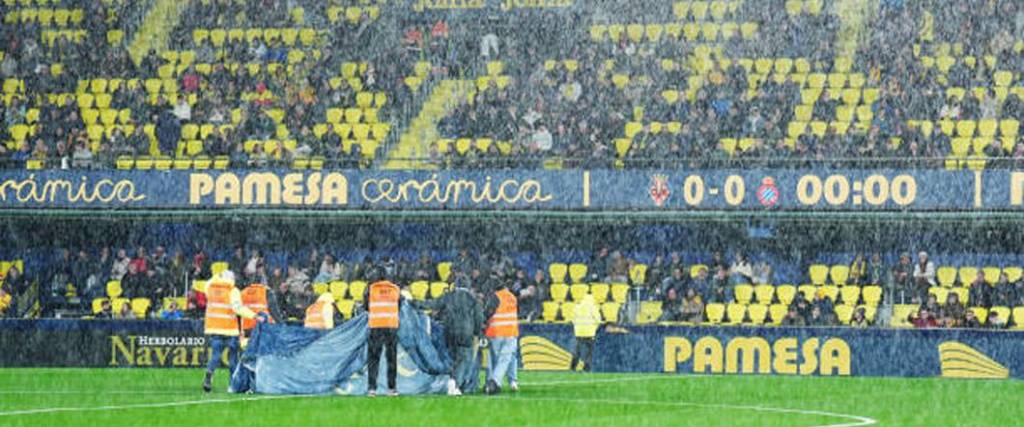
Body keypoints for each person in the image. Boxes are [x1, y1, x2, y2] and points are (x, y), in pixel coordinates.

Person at [413, 275, 483, 395]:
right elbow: (479, 318)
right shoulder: (473, 300)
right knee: (464, 360)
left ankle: (451, 381)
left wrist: (415, 303)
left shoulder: (449, 296)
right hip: (466, 334)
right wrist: (476, 332)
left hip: (450, 332)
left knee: (452, 359)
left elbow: (432, 304)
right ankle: (456, 384)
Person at [203, 270, 266, 393]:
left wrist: (217, 275)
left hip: (213, 328)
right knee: (233, 359)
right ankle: (233, 384)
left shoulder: (210, 287)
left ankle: (209, 373)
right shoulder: (233, 290)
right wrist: (255, 316)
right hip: (229, 329)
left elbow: (210, 281)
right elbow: (238, 308)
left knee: (215, 355)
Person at [364, 269, 401, 397]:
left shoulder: (371, 289)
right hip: (391, 326)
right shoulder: (395, 289)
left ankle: (372, 388)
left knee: (374, 359)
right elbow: (399, 305)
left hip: (376, 326)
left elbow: (366, 306)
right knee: (391, 358)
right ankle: (392, 388)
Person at [484, 282, 519, 395]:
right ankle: (509, 381)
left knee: (496, 359)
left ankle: (492, 382)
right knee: (507, 358)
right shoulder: (512, 297)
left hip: (497, 332)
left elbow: (488, 313)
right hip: (511, 332)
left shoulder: (495, 297)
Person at [570, 294, 601, 372]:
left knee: (577, 351)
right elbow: (598, 320)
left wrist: (577, 328)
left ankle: (573, 367)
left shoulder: (577, 307)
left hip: (579, 332)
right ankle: (586, 368)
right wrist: (594, 328)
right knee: (588, 352)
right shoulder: (593, 307)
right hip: (590, 333)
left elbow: (573, 319)